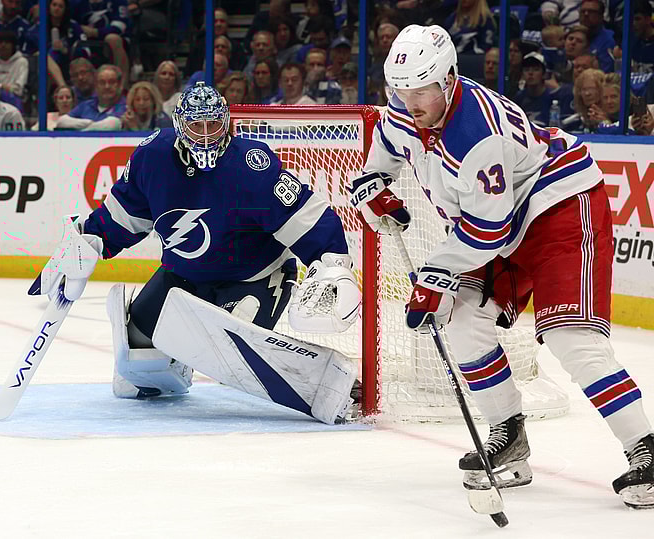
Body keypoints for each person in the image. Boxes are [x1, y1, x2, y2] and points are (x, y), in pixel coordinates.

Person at [349, 24, 654, 509]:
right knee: (465, 321)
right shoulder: (403, 113)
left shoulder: (477, 133)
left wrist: (434, 275)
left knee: (571, 340)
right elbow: (381, 159)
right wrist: (372, 189)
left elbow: (486, 233)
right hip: (493, 224)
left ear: (449, 80)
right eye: (401, 91)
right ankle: (508, 437)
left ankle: (646, 449)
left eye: (421, 91)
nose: (411, 103)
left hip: (555, 207)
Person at [36, 81, 360, 424]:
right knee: (137, 369)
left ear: (227, 123)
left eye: (213, 125)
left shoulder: (252, 166)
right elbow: (122, 216)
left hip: (254, 278)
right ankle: (175, 365)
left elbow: (306, 218)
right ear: (179, 125)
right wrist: (85, 241)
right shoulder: (153, 157)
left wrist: (332, 264)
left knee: (229, 352)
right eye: (196, 125)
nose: (205, 135)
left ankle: (329, 385)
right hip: (183, 278)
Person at [56, 63, 125, 130]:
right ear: (96, 85)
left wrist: (80, 132)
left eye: (112, 82)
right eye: (102, 82)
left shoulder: (125, 106)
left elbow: (110, 126)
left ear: (119, 85)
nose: (107, 86)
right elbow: (61, 121)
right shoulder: (86, 105)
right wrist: (89, 123)